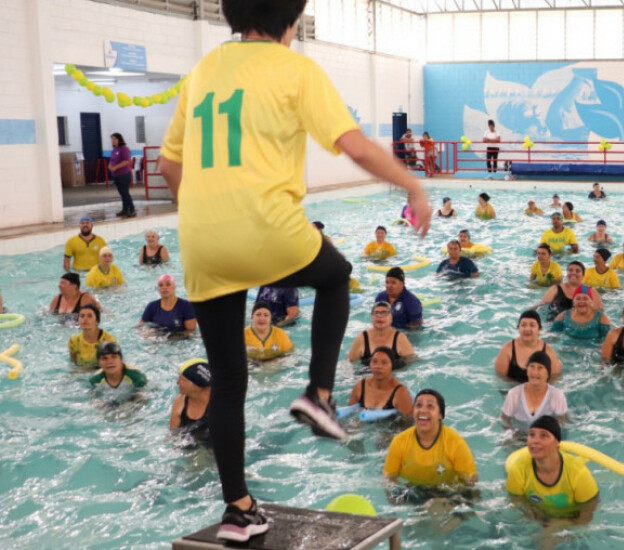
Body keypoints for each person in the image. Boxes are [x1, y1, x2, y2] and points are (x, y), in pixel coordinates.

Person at [158, 3, 432, 539]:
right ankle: (319, 394)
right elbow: (353, 145)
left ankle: (237, 509)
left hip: (201, 241)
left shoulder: (201, 72)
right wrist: (413, 186)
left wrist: (208, 217)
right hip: (268, 228)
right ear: (292, 19)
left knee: (229, 380)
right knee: (335, 276)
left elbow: (170, 164)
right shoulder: (296, 68)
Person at [506, 415, 597, 521]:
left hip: (571, 519)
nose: (535, 441)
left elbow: (588, 512)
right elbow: (517, 501)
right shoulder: (518, 468)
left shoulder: (577, 472)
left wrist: (561, 525)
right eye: (531, 435)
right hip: (537, 518)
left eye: (543, 436)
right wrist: (536, 516)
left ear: (557, 443)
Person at [384, 389, 478, 487]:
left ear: (440, 415)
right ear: (413, 411)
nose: (423, 410)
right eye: (419, 405)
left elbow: (470, 482)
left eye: (430, 406)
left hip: (446, 492)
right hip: (412, 490)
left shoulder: (455, 443)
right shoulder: (399, 441)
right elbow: (388, 480)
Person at [500, 355, 568, 431]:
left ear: (548, 373)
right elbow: (504, 419)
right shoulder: (514, 394)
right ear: (527, 371)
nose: (535, 372)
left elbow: (562, 423)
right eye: (532, 366)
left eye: (540, 368)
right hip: (518, 435)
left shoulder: (557, 395)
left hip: (544, 436)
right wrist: (510, 434)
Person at [495, 310, 563, 383]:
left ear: (539, 329)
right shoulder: (508, 349)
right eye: (523, 325)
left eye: (532, 325)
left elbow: (554, 379)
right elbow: (501, 378)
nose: (527, 329)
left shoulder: (548, 352)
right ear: (518, 328)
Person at [348, 347, 413, 417]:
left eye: (384, 362)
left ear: (392, 366)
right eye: (374, 362)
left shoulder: (400, 392)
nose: (378, 366)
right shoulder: (360, 386)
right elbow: (349, 413)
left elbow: (407, 421)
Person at [346, 302, 415, 368]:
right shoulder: (362, 338)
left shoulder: (400, 338)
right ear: (372, 317)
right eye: (376, 313)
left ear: (391, 318)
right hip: (367, 375)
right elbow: (349, 362)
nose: (380, 316)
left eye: (385, 313)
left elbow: (411, 362)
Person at [171, 359, 212, 441]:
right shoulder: (180, 402)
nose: (177, 382)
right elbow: (173, 435)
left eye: (182, 379)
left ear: (197, 385)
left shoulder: (220, 407)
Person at [68, 304, 116, 368]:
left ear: (97, 321)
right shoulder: (74, 340)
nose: (85, 319)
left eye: (89, 316)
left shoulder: (108, 340)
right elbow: (74, 364)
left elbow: (113, 365)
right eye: (82, 316)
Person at [107, 133, 136, 218]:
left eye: (114, 139)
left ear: (119, 139)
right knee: (122, 193)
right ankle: (125, 209)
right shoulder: (115, 149)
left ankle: (132, 209)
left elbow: (127, 161)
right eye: (112, 139)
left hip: (124, 174)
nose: (113, 141)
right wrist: (110, 166)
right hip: (116, 175)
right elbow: (112, 160)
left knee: (125, 193)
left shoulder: (124, 149)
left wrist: (116, 167)